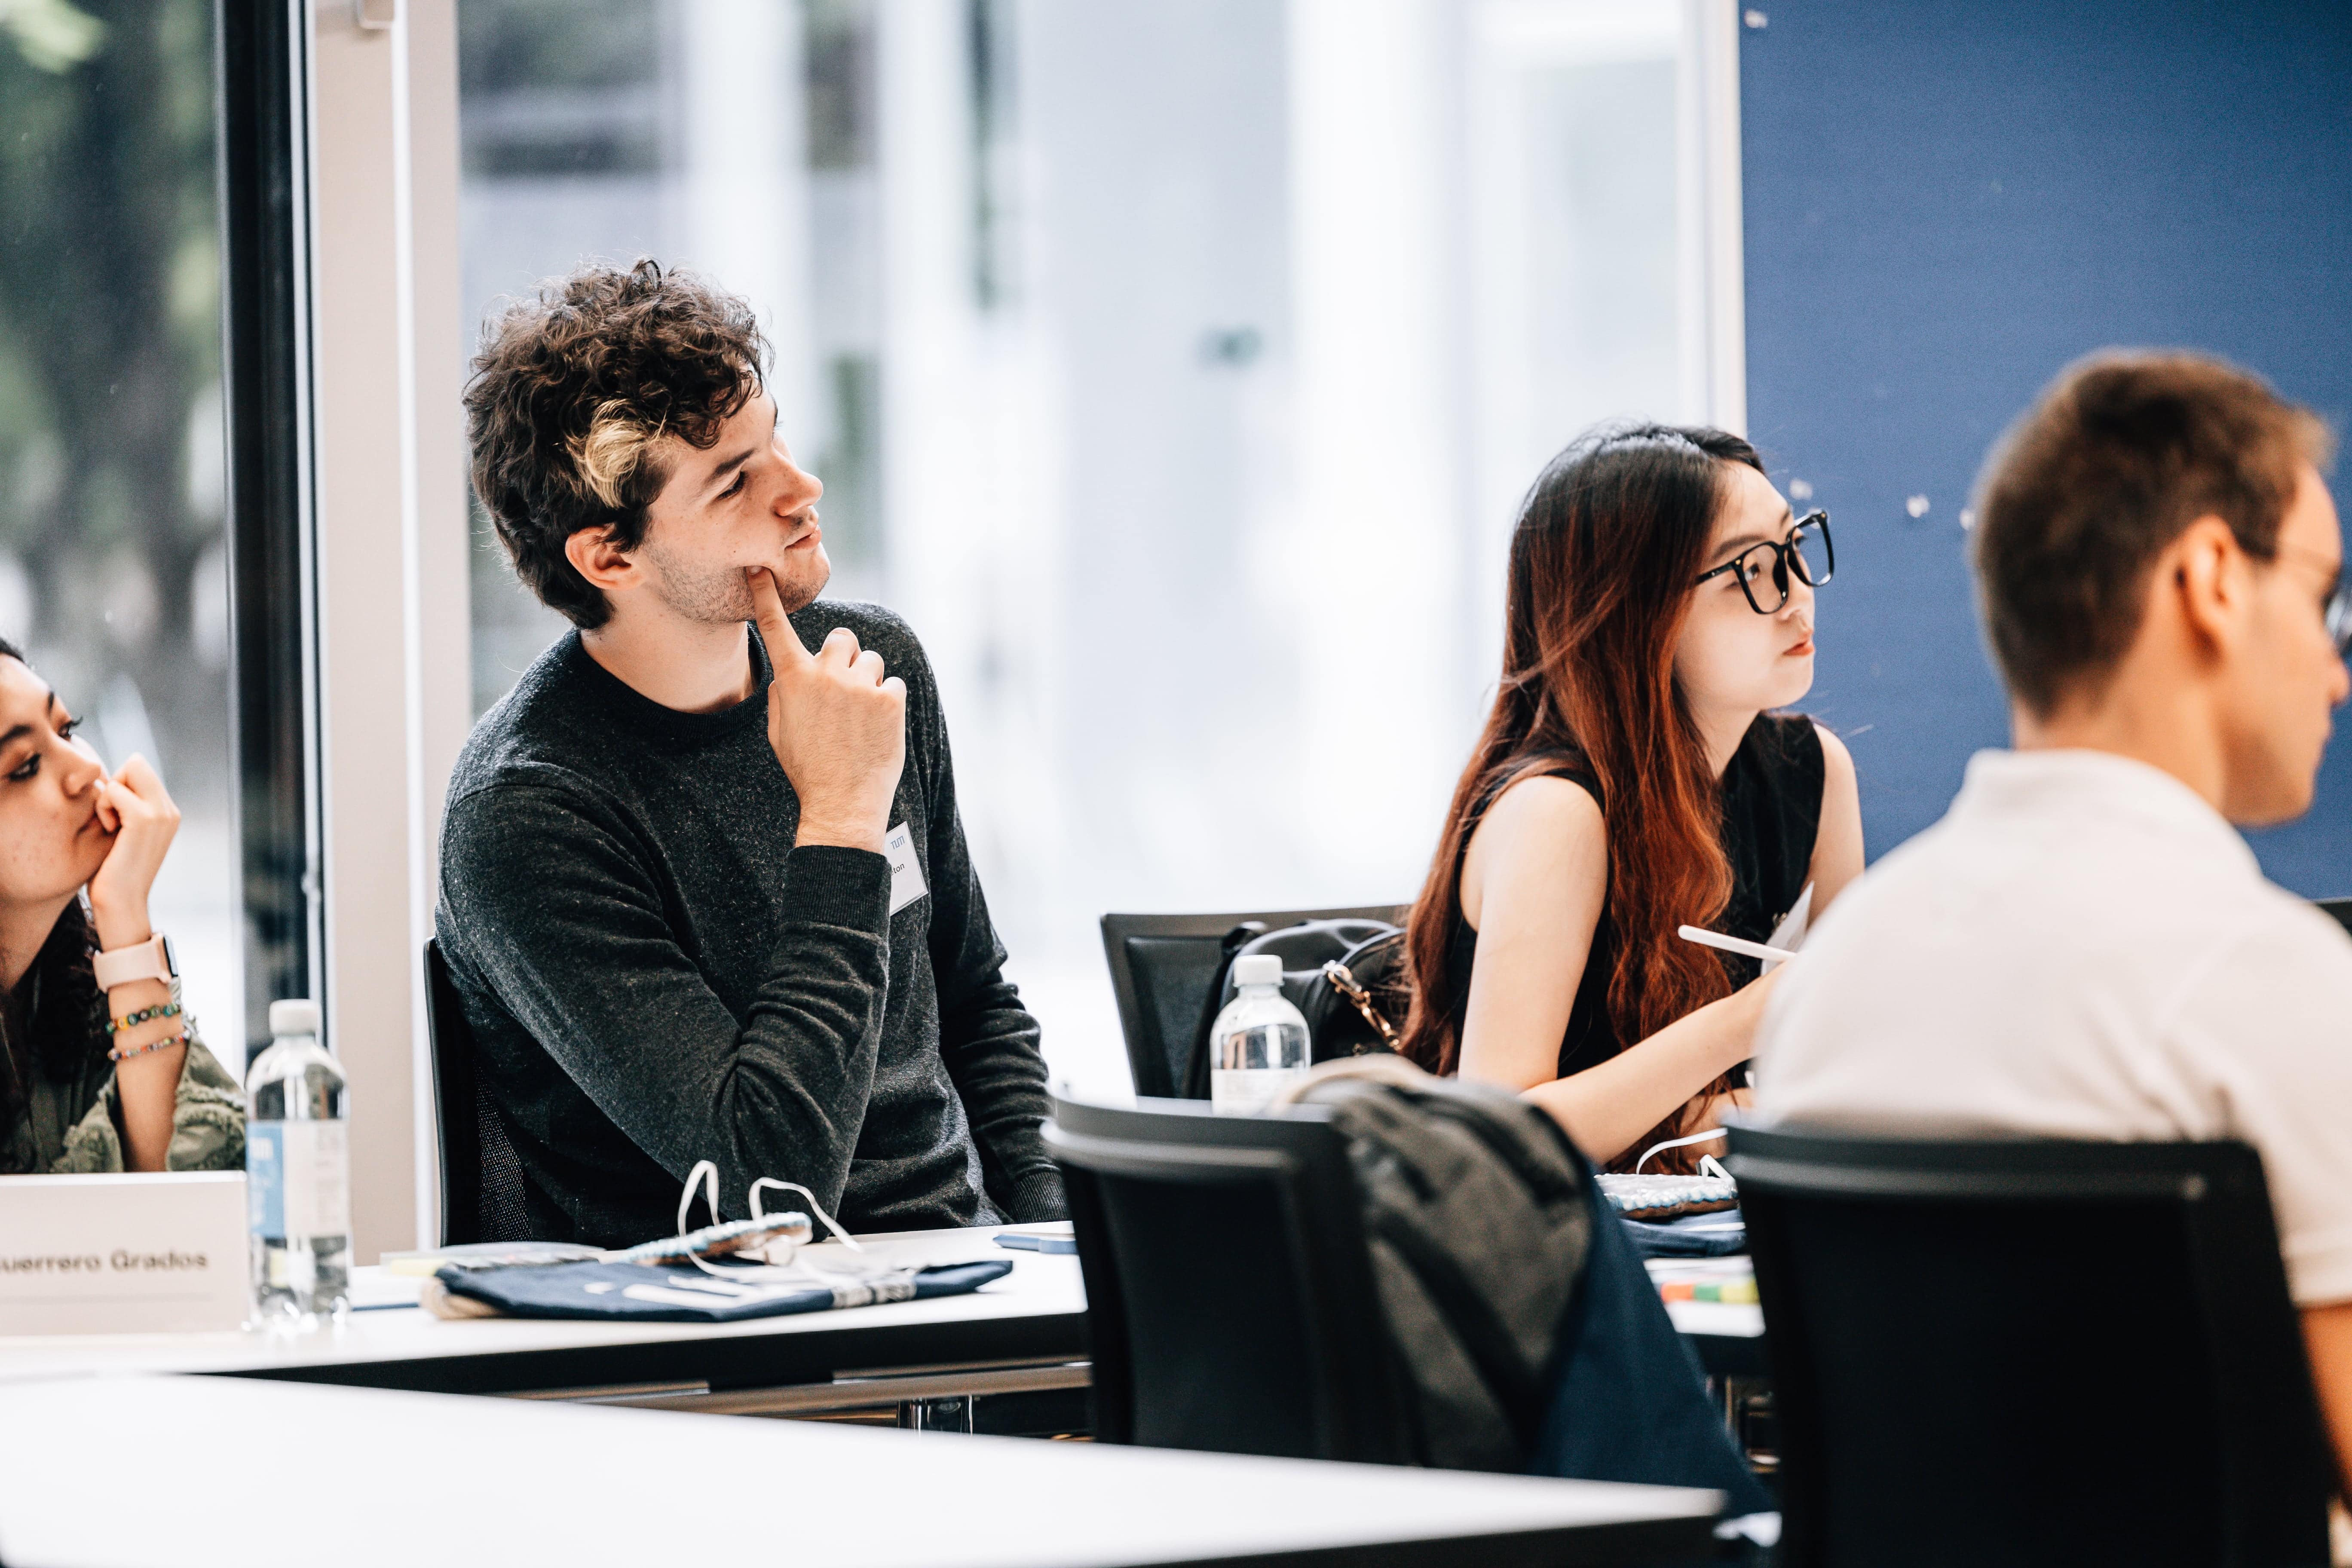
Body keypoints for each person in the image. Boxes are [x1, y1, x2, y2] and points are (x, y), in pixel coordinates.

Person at [1752, 352, 2352, 1487]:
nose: (2336, 672)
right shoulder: (2276, 982)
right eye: (2324, 601)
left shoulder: (1832, 985)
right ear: (2212, 579)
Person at [441, 260, 1062, 1248]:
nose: (802, 488)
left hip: (965, 1279)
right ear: (610, 555)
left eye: (774, 439)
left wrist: (1059, 1249)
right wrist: (841, 820)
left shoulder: (870, 665)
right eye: (736, 481)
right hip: (745, 1323)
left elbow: (977, 1005)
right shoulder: (527, 812)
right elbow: (772, 1180)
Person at [1400, 424, 1864, 1171]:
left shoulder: (1815, 770)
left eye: (1794, 547)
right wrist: (1742, 1026)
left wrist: (1726, 1113)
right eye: (1750, 571)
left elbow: (1843, 1066)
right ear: (1633, 613)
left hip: (1716, 1213)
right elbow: (1506, 1130)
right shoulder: (1557, 811)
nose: (1796, 596)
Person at [0, 638, 242, 1174]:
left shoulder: (71, 987)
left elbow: (188, 1203)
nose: (86, 768)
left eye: (67, 729)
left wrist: (125, 917)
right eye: (25, 766)